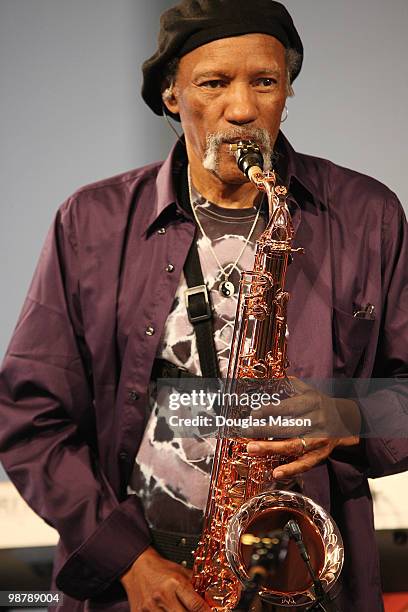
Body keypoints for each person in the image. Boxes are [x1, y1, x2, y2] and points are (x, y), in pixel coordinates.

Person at [0, 1, 407, 611]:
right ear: (171, 93)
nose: (242, 110)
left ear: (288, 90)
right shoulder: (91, 221)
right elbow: (30, 418)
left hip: (299, 575)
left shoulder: (368, 214)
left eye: (264, 82)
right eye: (214, 83)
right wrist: (130, 563)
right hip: (139, 583)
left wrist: (346, 417)